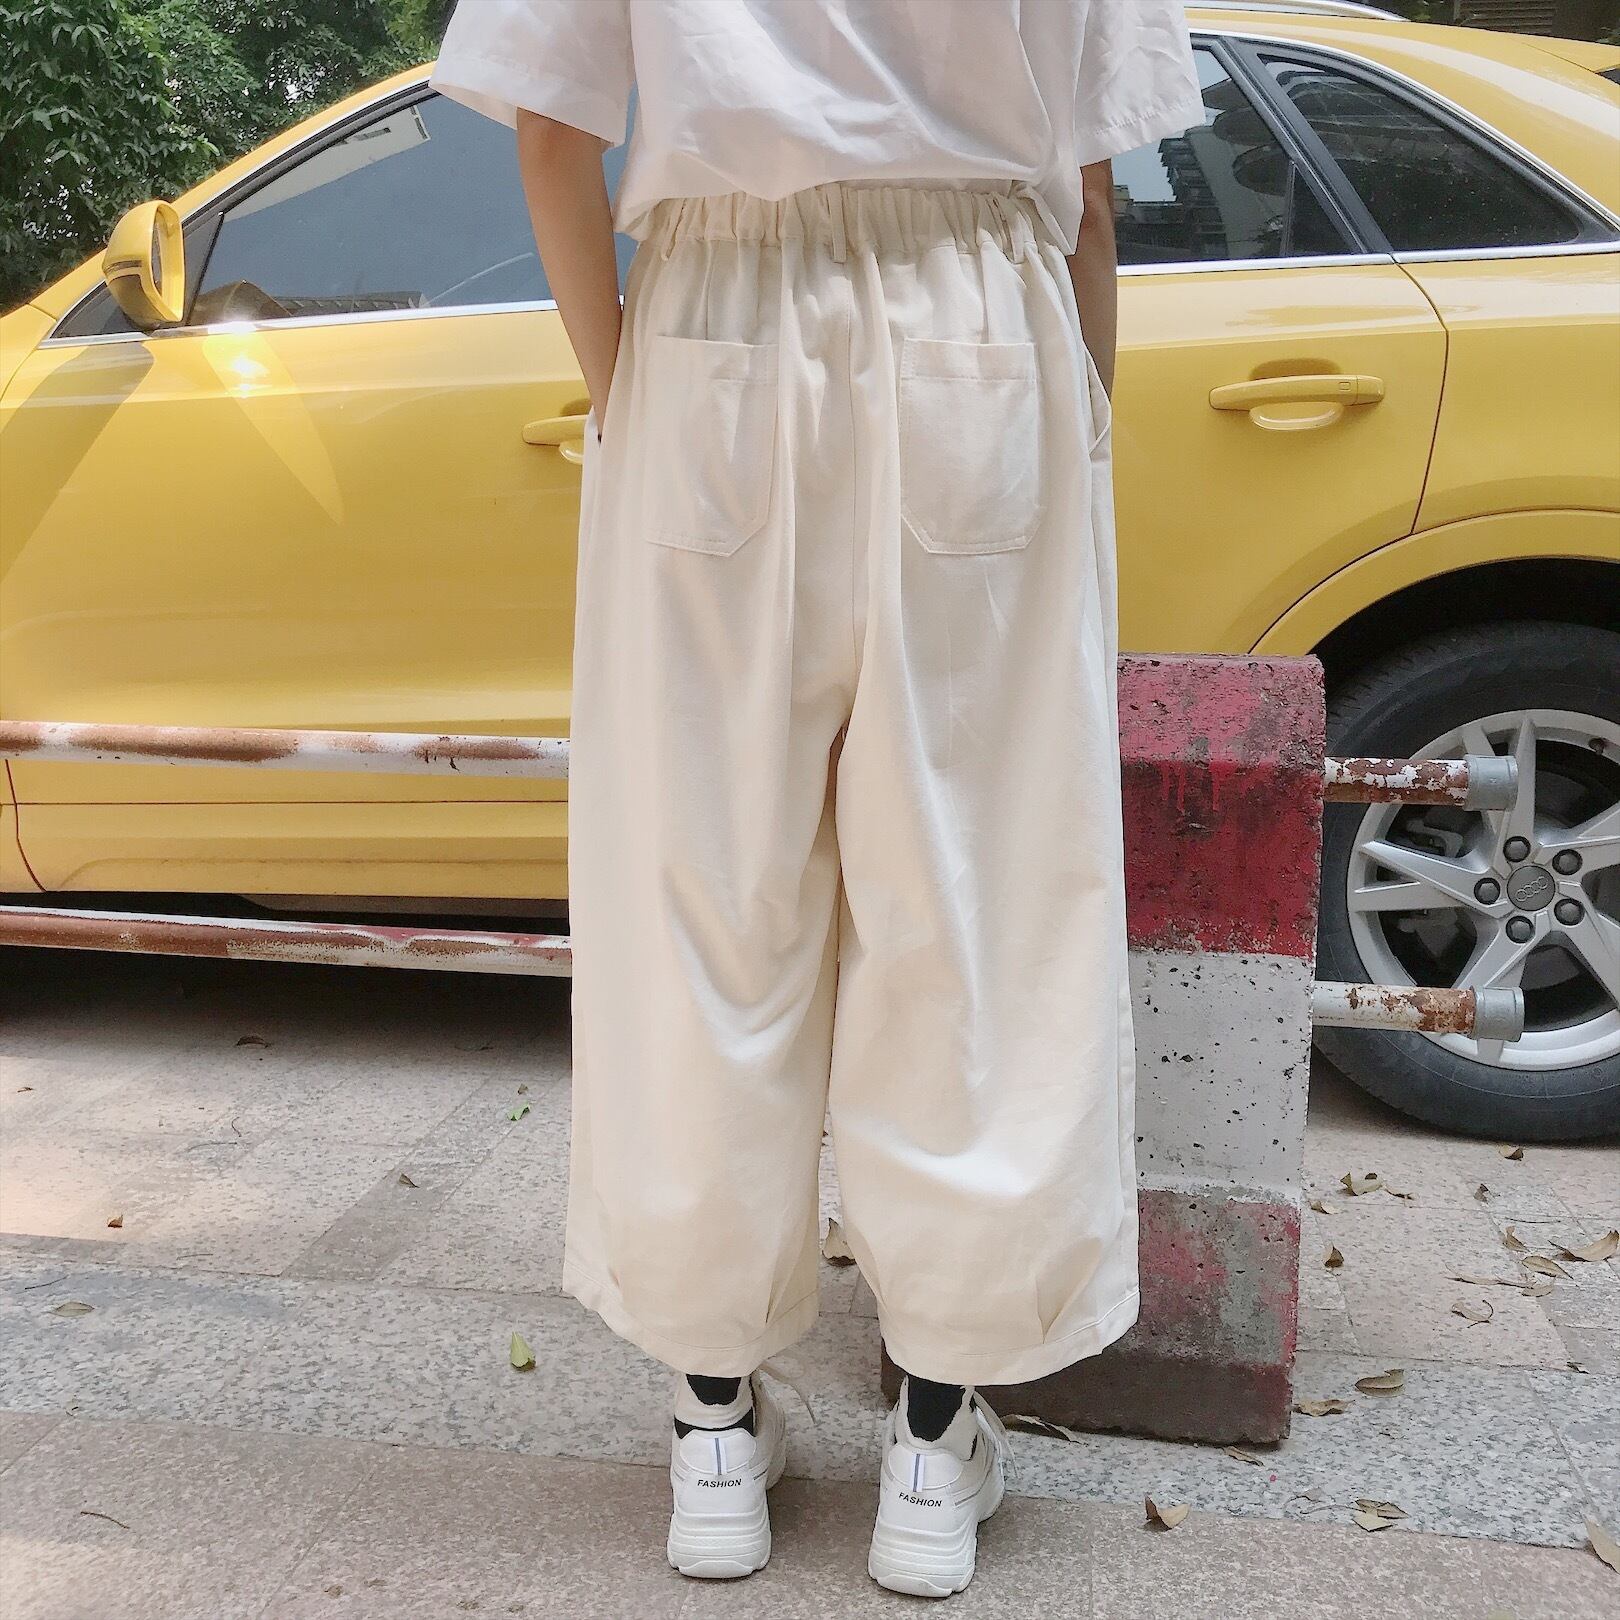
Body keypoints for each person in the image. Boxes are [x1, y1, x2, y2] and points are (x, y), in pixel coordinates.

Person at [432, 0, 1203, 1598]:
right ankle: (932, 1440)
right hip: (983, 322)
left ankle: (713, 1430)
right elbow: (1090, 190)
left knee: (705, 891)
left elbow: (552, 130)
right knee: (977, 896)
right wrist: (1079, 425)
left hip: (714, 326)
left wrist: (626, 392)